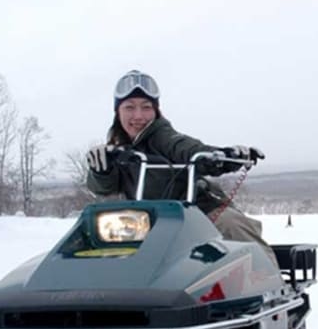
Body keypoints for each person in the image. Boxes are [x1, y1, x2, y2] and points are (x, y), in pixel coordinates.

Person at [86, 69, 278, 266]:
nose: (138, 115)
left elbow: (186, 148)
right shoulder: (117, 150)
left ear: (156, 111)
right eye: (129, 107)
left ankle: (271, 279)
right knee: (97, 239)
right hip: (144, 221)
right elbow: (104, 189)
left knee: (230, 224)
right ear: (118, 112)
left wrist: (223, 156)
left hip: (196, 212)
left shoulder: (162, 136)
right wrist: (101, 171)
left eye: (146, 107)